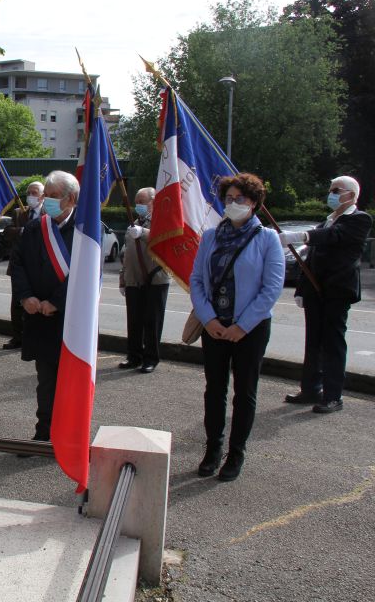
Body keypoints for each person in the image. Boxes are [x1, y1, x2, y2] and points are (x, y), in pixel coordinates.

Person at [190, 173, 284, 482]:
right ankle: (213, 449)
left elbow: (271, 289)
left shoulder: (267, 239)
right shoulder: (210, 237)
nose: (233, 204)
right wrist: (209, 319)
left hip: (250, 329)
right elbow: (198, 281)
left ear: (254, 203)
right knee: (214, 390)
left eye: (239, 199)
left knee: (245, 392)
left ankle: (236, 452)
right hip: (215, 326)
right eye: (228, 199)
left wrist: (242, 326)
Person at [279, 175, 372, 413]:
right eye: (330, 189)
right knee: (313, 342)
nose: (331, 194)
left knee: (333, 343)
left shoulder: (359, 219)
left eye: (336, 190)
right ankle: (310, 389)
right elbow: (311, 259)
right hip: (316, 291)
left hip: (337, 291)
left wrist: (302, 236)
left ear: (351, 195)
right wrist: (302, 290)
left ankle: (333, 395)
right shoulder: (327, 221)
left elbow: (335, 237)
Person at [11, 171, 78, 442]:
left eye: (53, 196)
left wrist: (57, 303)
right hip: (39, 317)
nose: (46, 201)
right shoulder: (35, 227)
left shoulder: (86, 230)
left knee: (72, 382)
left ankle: (69, 435)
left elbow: (86, 275)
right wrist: (26, 296)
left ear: (71, 199)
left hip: (71, 320)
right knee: (46, 380)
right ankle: (44, 432)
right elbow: (17, 264)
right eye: (46, 195)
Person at [118, 188, 170, 373]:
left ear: (153, 202)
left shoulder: (161, 221)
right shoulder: (135, 223)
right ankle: (134, 356)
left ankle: (151, 358)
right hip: (134, 280)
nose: (138, 205)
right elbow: (127, 254)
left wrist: (144, 233)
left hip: (155, 279)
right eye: (137, 201)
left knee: (152, 321)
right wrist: (123, 278)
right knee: (134, 321)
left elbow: (166, 240)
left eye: (142, 201)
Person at [2, 180, 44, 350]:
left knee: (36, 302)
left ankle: (34, 337)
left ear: (42, 197)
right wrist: (22, 230)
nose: (31, 196)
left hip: (39, 267)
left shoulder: (47, 215)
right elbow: (7, 232)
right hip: (18, 266)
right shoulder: (19, 213)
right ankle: (17, 337)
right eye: (29, 192)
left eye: (35, 193)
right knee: (17, 303)